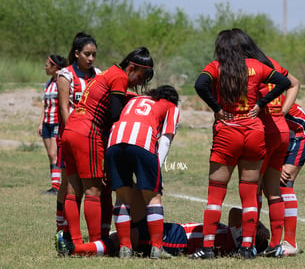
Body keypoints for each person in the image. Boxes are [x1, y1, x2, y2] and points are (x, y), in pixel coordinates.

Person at [189, 29, 292, 260]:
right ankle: (248, 247)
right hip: (254, 131)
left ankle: (207, 248)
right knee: (249, 193)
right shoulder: (256, 66)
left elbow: (199, 85)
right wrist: (261, 104)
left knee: (215, 194)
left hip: (228, 131)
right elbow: (284, 81)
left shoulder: (216, 67)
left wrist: (217, 109)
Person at [60, 47, 154, 247]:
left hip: (70, 129)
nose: (140, 81)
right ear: (131, 68)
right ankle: (95, 243)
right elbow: (115, 114)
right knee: (94, 190)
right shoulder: (119, 77)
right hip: (87, 132)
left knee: (72, 189)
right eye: (142, 75)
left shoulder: (108, 72)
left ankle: (74, 241)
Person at [229, 28, 300, 257]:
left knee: (253, 189)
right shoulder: (271, 62)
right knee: (273, 190)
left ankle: (248, 244)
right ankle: (276, 245)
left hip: (265, 132)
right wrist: (282, 112)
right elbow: (294, 83)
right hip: (282, 130)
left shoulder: (247, 68)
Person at [54, 188, 270, 258]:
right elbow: (235, 214)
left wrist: (257, 228)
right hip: (173, 230)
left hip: (177, 241)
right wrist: (258, 228)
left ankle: (75, 249)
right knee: (134, 194)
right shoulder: (240, 237)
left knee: (124, 239)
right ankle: (82, 246)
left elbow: (234, 212)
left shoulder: (238, 241)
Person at [106, 85, 180, 259]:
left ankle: (125, 247)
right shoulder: (171, 106)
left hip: (114, 142)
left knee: (122, 198)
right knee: (153, 198)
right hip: (141, 143)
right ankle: (156, 248)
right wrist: (157, 168)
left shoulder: (135, 99)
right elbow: (165, 140)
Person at [55, 32, 101, 238]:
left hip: (92, 138)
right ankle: (62, 229)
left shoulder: (98, 74)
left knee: (90, 185)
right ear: (76, 54)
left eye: (93, 55)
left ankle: (86, 234)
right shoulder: (65, 75)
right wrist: (74, 131)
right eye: (87, 54)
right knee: (69, 184)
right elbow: (65, 109)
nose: (90, 59)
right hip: (71, 136)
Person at [280, 102, 305, 256]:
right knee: (261, 182)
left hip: (299, 130)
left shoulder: (260, 86)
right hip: (279, 129)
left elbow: (295, 83)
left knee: (284, 183)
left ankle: (290, 243)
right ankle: (251, 240)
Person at [38, 54, 67, 194]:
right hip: (46, 122)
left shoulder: (61, 83)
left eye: (47, 65)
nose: (45, 68)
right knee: (50, 155)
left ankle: (57, 186)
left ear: (55, 67)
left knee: (53, 153)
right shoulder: (48, 84)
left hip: (56, 122)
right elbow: (45, 105)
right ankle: (54, 185)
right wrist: (40, 123)